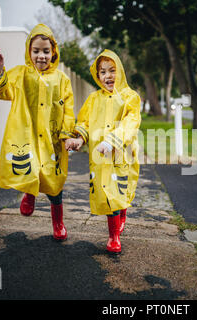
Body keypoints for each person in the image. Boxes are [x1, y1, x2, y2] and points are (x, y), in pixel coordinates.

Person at [0, 24, 75, 241]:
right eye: (36, 51)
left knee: (54, 183)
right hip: (26, 136)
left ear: (53, 52)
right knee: (30, 169)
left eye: (45, 51)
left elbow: (68, 110)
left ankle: (58, 222)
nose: (41, 56)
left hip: (52, 139)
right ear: (29, 51)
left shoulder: (62, 80)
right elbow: (4, 92)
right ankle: (30, 194)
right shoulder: (21, 74)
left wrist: (68, 134)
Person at [67, 49, 141, 254]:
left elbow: (130, 123)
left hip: (121, 155)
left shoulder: (130, 97)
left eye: (112, 70)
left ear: (121, 72)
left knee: (118, 192)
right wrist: (79, 138)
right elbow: (85, 121)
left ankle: (115, 235)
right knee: (107, 194)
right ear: (97, 75)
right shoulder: (93, 99)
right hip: (100, 157)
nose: (108, 76)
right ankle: (114, 230)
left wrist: (112, 141)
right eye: (102, 72)